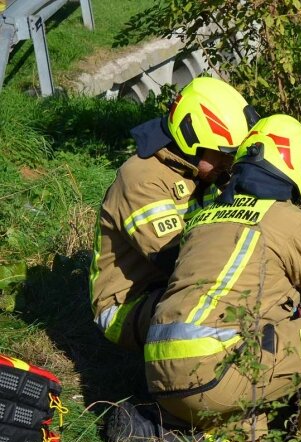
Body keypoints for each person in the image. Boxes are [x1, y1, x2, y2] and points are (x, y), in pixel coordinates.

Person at [144, 114, 301, 442]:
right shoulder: (289, 219)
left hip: (160, 372)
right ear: (298, 167)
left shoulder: (203, 216)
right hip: (216, 369)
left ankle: (159, 435)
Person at [89, 76, 259, 352]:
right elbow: (176, 261)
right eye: (223, 154)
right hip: (125, 306)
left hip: (170, 288)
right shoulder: (142, 180)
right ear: (191, 139)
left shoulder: (201, 172)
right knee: (219, 306)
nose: (229, 163)